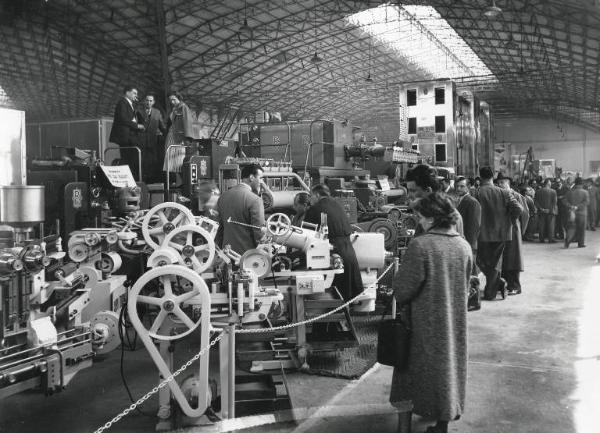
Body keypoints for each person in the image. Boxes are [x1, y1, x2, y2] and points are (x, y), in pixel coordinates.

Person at [390, 193, 472, 433]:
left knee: (406, 377)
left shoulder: (421, 245)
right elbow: (465, 287)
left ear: (433, 218)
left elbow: (403, 290)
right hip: (454, 323)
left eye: (421, 217)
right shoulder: (463, 246)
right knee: (449, 371)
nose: (419, 222)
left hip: (421, 325)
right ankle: (442, 424)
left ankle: (404, 428)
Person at [304, 184, 363, 300]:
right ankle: (347, 306)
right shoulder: (337, 204)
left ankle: (335, 308)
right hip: (348, 248)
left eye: (311, 196)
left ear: (317, 195)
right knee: (349, 282)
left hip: (333, 250)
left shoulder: (315, 209)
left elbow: (307, 234)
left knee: (337, 285)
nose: (310, 200)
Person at [471, 166, 523, 301]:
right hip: (501, 234)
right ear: (492, 177)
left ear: (480, 177)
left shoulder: (476, 193)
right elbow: (519, 208)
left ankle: (492, 290)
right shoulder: (504, 193)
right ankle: (495, 287)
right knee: (494, 263)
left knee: (481, 261)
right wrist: (509, 222)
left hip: (482, 234)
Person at [216, 164, 265, 255]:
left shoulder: (223, 197)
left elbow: (220, 228)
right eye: (261, 178)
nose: (262, 182)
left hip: (226, 254)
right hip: (246, 257)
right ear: (251, 177)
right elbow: (259, 232)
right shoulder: (255, 200)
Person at [405, 165, 463, 236]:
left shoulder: (446, 217)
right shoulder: (425, 213)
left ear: (428, 190)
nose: (408, 195)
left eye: (413, 191)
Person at [497, 174, 529, 295]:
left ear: (508, 183)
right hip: (503, 231)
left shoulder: (517, 196)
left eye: (502, 183)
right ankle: (505, 285)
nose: (500, 185)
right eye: (498, 183)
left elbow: (525, 215)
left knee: (514, 259)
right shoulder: (500, 196)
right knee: (505, 259)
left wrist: (521, 231)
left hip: (514, 231)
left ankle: (515, 286)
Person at [109, 85, 145, 179]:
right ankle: (128, 179)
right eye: (134, 93)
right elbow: (123, 119)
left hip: (130, 137)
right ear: (127, 93)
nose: (136, 95)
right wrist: (137, 125)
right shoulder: (122, 103)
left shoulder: (131, 104)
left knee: (132, 160)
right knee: (127, 160)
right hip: (125, 137)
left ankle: (132, 178)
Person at [163, 91, 196, 177]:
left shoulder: (183, 107)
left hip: (178, 137)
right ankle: (178, 180)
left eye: (174, 100)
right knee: (171, 159)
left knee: (178, 159)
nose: (172, 102)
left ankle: (181, 180)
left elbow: (187, 122)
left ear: (179, 98)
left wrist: (187, 138)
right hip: (171, 136)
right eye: (170, 100)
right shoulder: (174, 109)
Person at [137, 93, 167, 184]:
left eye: (150, 101)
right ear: (144, 101)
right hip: (141, 143)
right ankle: (142, 182)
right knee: (142, 164)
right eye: (147, 100)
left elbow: (162, 127)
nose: (148, 102)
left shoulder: (157, 112)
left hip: (153, 143)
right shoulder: (138, 111)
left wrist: (169, 135)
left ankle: (151, 183)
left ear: (153, 102)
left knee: (152, 163)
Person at [455, 176, 481, 274]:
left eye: (462, 186)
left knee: (470, 273)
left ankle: (474, 288)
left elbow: (474, 227)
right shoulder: (457, 201)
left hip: (468, 243)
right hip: (460, 242)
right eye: (457, 186)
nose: (458, 189)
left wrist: (470, 246)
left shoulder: (473, 203)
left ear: (468, 187)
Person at [564, 177, 589, 248]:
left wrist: (571, 206)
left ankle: (567, 242)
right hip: (582, 214)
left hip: (572, 213)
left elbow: (565, 201)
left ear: (575, 183)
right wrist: (577, 207)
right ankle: (580, 244)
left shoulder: (569, 192)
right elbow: (586, 202)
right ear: (581, 184)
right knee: (581, 229)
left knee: (571, 228)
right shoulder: (585, 192)